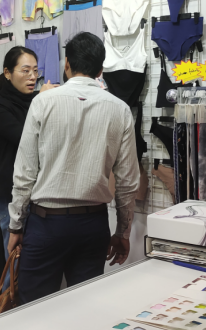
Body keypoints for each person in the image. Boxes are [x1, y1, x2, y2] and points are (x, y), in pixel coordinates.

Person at [8, 31, 140, 304]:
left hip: (46, 224)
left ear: (66, 64)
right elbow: (127, 182)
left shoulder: (42, 102)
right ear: (101, 70)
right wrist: (122, 232)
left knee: (33, 311)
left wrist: (15, 226)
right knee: (85, 308)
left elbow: (25, 174)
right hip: (93, 225)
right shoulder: (120, 109)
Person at [0, 47, 57, 288]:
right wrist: (41, 100)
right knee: (16, 267)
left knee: (41, 267)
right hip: (12, 195)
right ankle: (9, 309)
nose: (32, 77)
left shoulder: (38, 100)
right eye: (25, 71)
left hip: (43, 194)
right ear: (7, 73)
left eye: (35, 71)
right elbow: (26, 138)